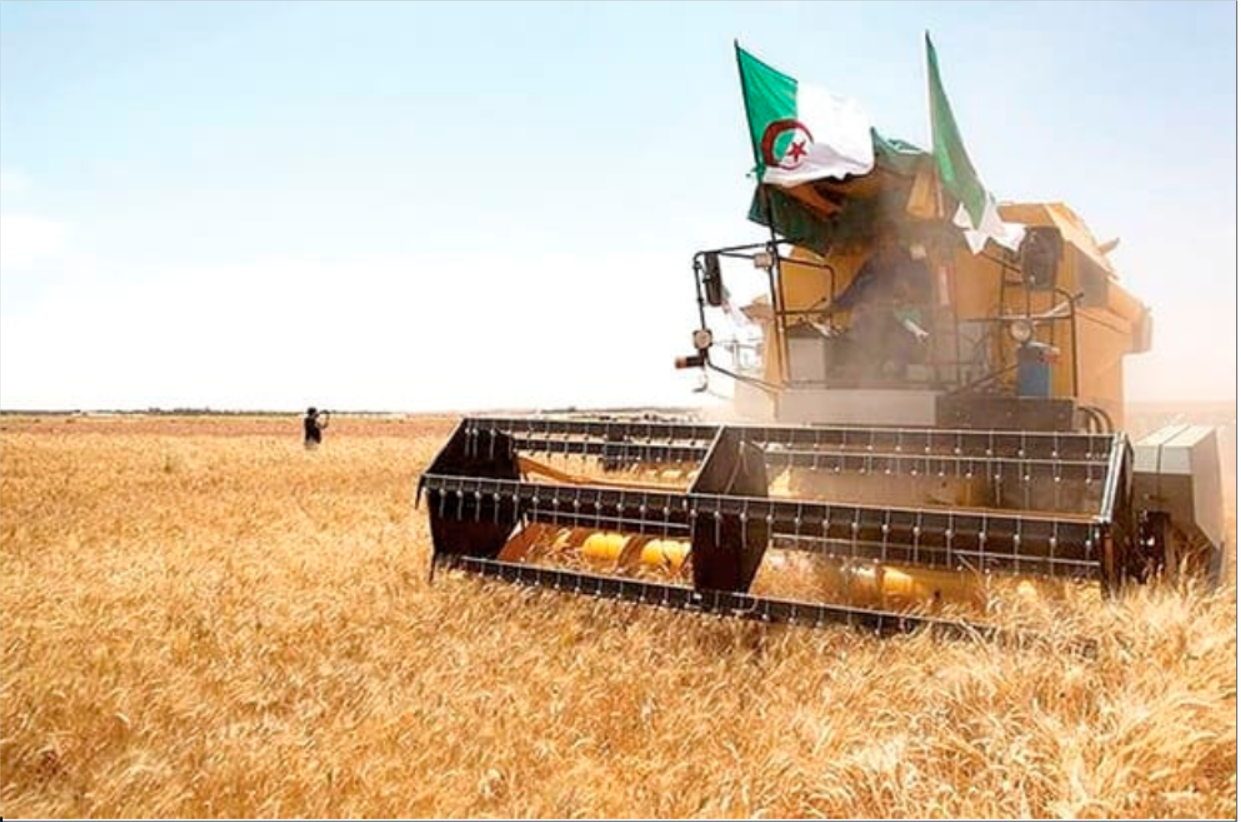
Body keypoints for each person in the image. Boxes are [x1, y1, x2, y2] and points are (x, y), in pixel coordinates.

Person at [824, 220, 932, 376]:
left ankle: (893, 365)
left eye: (887, 240)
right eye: (879, 242)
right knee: (863, 322)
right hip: (875, 326)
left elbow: (925, 292)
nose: (883, 246)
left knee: (896, 339)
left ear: (896, 239)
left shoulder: (914, 262)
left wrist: (906, 298)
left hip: (909, 325)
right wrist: (833, 307)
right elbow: (854, 292)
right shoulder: (872, 265)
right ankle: (866, 367)